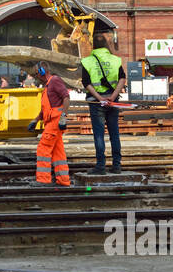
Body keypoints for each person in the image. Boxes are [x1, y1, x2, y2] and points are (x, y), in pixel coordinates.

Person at [80, 29, 127, 174]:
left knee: (99, 135)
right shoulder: (115, 59)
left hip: (96, 102)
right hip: (113, 102)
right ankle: (117, 165)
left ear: (93, 46)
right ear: (106, 44)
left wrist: (100, 98)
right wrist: (113, 96)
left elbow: (86, 83)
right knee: (114, 133)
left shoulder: (87, 61)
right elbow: (122, 78)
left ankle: (101, 166)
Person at [33, 61, 71, 186]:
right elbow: (45, 109)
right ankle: (63, 180)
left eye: (37, 73)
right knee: (57, 152)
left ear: (42, 72)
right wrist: (36, 120)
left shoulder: (54, 81)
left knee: (43, 149)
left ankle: (43, 180)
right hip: (52, 122)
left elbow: (66, 98)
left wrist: (63, 118)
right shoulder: (48, 86)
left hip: (55, 122)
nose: (36, 76)